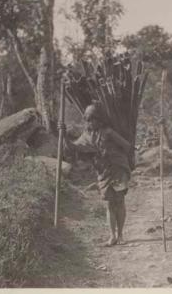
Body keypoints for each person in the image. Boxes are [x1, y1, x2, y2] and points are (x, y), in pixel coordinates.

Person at [63, 104, 132, 247]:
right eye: (87, 120)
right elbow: (74, 147)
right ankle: (112, 236)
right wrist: (63, 135)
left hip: (118, 169)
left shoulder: (109, 132)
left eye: (92, 120)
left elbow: (126, 146)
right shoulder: (87, 136)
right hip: (103, 171)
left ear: (99, 120)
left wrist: (114, 154)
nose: (89, 123)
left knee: (119, 202)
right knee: (109, 204)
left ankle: (121, 235)